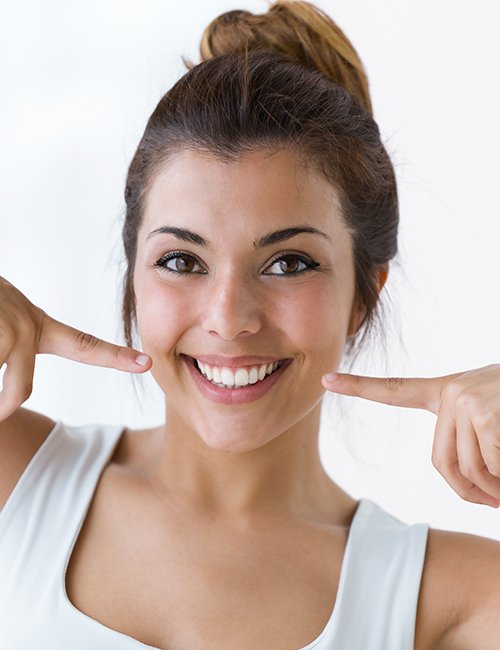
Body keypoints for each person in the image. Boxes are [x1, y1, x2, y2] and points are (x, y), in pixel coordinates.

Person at [0, 1, 499, 648]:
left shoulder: (454, 599)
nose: (229, 318)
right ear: (133, 274)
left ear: (363, 295)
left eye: (289, 263)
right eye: (182, 260)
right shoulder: (15, 484)